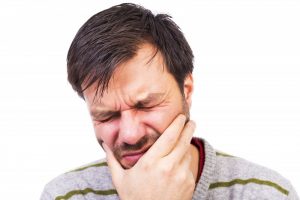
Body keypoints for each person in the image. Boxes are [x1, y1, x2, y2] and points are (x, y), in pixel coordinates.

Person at [41, 3, 299, 200]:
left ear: (186, 90)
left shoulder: (266, 192)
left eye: (146, 105)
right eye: (107, 115)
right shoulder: (68, 195)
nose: (130, 135)